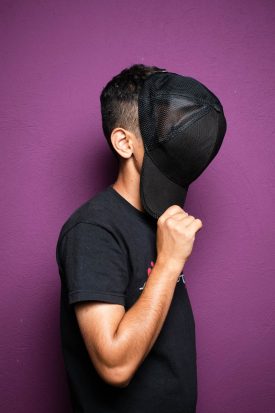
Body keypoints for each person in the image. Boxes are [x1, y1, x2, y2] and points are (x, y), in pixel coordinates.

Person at [55, 63, 227, 413]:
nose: (177, 132)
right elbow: (114, 366)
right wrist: (168, 262)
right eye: (164, 125)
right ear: (123, 142)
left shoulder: (158, 221)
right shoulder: (93, 229)